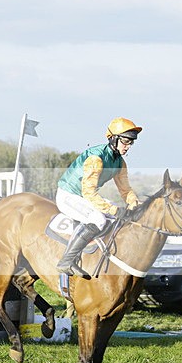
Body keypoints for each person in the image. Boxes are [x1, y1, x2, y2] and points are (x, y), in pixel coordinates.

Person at [55, 117, 142, 277]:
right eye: (125, 141)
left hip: (83, 197)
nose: (128, 146)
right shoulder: (96, 158)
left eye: (131, 142)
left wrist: (135, 205)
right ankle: (66, 261)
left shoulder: (120, 162)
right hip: (68, 195)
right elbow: (89, 193)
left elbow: (125, 190)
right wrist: (114, 210)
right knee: (98, 219)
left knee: (115, 219)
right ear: (113, 138)